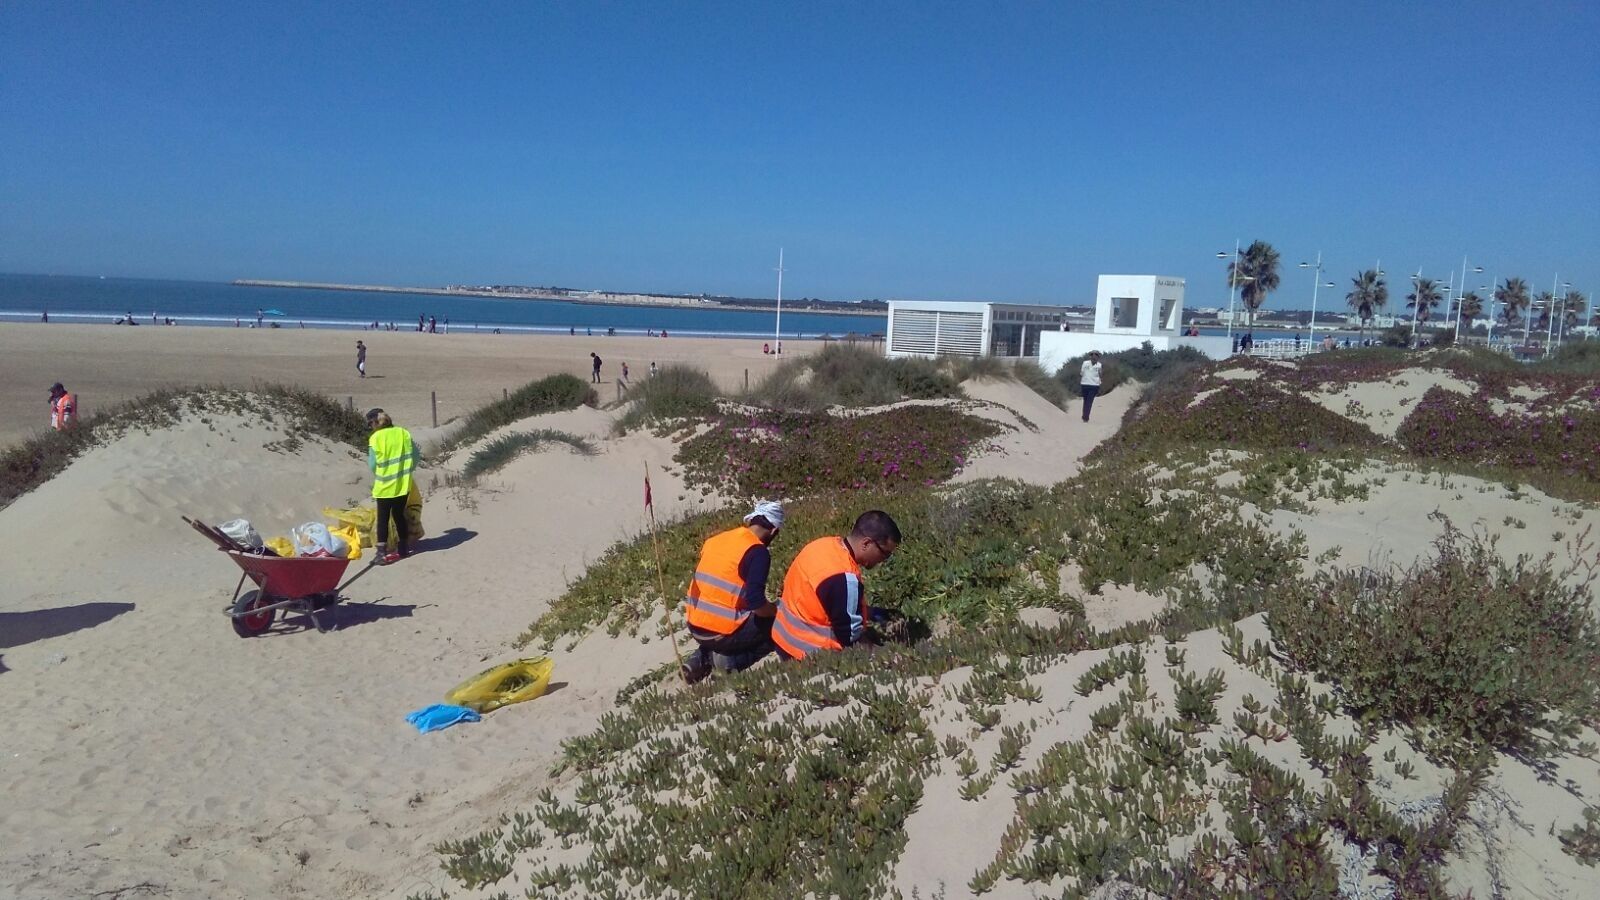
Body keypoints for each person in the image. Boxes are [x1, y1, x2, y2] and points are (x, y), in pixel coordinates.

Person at [773, 510, 901, 661]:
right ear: (866, 543)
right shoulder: (844, 577)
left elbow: (823, 601)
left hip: (782, 639)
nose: (884, 560)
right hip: (808, 653)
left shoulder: (822, 545)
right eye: (885, 553)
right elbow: (850, 637)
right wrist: (880, 651)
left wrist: (871, 612)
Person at [681, 501, 786, 683]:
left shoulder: (717, 539)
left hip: (695, 626)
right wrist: (775, 612)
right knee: (782, 621)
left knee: (723, 622)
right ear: (774, 531)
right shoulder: (758, 552)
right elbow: (756, 602)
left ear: (751, 520)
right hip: (722, 634)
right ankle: (729, 662)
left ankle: (699, 660)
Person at [365, 408, 419, 565]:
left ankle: (381, 553)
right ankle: (403, 548)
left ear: (375, 422)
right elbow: (415, 457)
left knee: (383, 518)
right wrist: (405, 471)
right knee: (399, 515)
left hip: (384, 485)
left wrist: (382, 473)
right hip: (402, 484)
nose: (370, 427)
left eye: (370, 424)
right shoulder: (403, 433)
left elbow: (373, 464)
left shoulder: (375, 438)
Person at [1079, 351, 1102, 423]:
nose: (1094, 356)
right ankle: (1084, 416)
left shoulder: (1099, 365)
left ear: (1098, 357)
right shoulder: (1085, 363)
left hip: (1094, 385)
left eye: (1096, 355)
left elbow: (1100, 375)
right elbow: (1081, 373)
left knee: (1089, 401)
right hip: (1085, 384)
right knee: (1086, 401)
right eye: (1092, 355)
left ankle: (1086, 417)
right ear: (1090, 356)